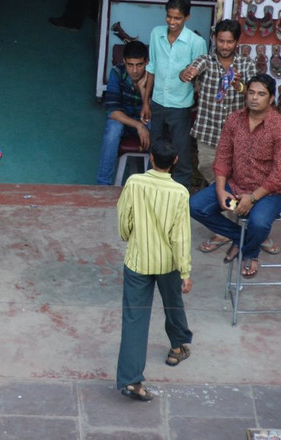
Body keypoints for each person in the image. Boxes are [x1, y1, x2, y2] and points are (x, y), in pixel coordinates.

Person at [181, 20, 276, 255]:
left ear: (237, 42)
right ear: (215, 40)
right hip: (208, 133)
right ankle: (232, 225)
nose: (224, 46)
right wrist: (188, 73)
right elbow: (193, 69)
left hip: (238, 138)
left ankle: (246, 228)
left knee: (243, 180)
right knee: (213, 177)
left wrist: (241, 87)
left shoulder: (246, 64)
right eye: (221, 41)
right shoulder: (206, 60)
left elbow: (254, 93)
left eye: (229, 42)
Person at [188, 74, 281, 280]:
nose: (254, 98)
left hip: (270, 192)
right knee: (195, 206)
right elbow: (222, 157)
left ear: (271, 98)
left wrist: (253, 198)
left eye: (261, 94)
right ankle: (242, 238)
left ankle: (250, 253)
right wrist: (220, 190)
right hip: (236, 185)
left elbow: (279, 175)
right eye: (251, 92)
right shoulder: (234, 120)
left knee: (259, 223)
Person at [115, 137, 193, 403]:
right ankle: (177, 347)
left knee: (134, 320)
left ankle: (131, 380)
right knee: (173, 303)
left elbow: (124, 218)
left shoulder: (134, 183)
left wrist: (129, 236)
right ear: (175, 161)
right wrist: (185, 271)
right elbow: (181, 237)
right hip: (168, 263)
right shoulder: (180, 193)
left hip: (137, 260)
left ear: (151, 158)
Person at [140, 0, 208, 187]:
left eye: (177, 18)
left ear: (187, 17)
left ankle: (180, 198)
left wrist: (189, 74)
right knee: (155, 153)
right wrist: (146, 102)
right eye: (169, 16)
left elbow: (200, 76)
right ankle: (153, 193)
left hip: (180, 108)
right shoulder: (156, 34)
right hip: (157, 103)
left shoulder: (196, 42)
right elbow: (151, 68)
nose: (172, 21)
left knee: (181, 157)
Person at [97, 40, 150, 185]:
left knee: (157, 130)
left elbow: (155, 113)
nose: (135, 70)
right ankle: (103, 185)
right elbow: (112, 111)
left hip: (147, 121)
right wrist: (138, 126)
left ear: (146, 62)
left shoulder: (153, 76)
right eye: (130, 65)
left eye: (139, 65)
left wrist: (143, 91)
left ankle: (151, 186)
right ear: (124, 62)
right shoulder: (117, 72)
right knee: (113, 129)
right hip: (125, 121)